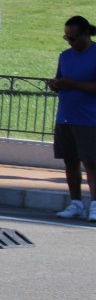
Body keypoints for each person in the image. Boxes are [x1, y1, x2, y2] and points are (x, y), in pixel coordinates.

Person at [49, 15, 96, 219]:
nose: (71, 42)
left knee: (91, 163)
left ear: (86, 34)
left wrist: (74, 84)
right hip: (66, 117)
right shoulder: (65, 56)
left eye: (75, 38)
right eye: (67, 38)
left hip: (90, 119)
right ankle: (75, 203)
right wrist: (56, 84)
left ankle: (95, 204)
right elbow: (61, 79)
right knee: (70, 161)